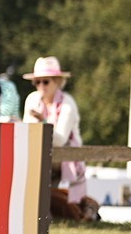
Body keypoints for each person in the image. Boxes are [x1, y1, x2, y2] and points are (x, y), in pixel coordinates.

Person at [22, 56, 97, 219]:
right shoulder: (32, 99)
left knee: (48, 193)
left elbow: (60, 140)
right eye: (37, 82)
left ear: (57, 82)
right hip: (39, 156)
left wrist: (43, 121)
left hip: (62, 157)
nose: (41, 86)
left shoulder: (67, 103)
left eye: (45, 81)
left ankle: (82, 209)